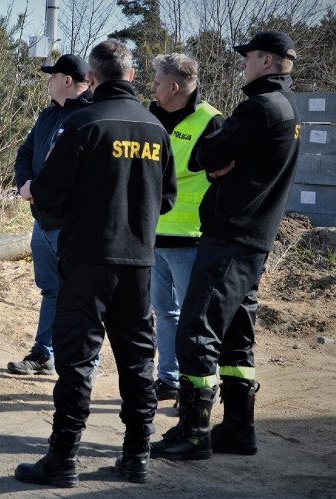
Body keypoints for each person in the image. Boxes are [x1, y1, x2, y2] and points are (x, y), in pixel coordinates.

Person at [14, 40, 176, 486]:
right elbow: (166, 199)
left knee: (78, 360)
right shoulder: (154, 127)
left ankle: (62, 459)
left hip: (87, 260)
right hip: (138, 263)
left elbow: (49, 191)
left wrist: (34, 192)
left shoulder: (82, 123)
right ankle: (136, 457)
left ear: (95, 76)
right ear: (131, 75)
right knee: (138, 363)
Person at [151, 31, 301, 460]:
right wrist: (217, 159)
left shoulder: (258, 108)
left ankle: (194, 432)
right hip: (254, 237)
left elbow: (206, 153)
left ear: (267, 62)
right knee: (237, 338)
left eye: (248, 58)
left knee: (196, 331)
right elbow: (213, 157)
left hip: (231, 234)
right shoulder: (288, 107)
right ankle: (238, 428)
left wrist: (217, 160)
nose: (243, 65)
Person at [8, 54, 92, 376]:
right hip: (42, 222)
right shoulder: (48, 116)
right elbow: (25, 152)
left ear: (67, 80)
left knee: (76, 293)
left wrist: (39, 190)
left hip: (71, 225)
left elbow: (77, 175)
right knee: (51, 290)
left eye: (52, 75)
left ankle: (77, 363)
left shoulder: (88, 116)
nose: (48, 80)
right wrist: (25, 184)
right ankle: (44, 353)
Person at [148, 54, 224, 402]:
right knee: (164, 313)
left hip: (191, 238)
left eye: (157, 81)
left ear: (174, 86)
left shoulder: (211, 121)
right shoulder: (148, 116)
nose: (152, 87)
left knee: (194, 319)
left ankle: (196, 386)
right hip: (151, 233)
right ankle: (168, 379)